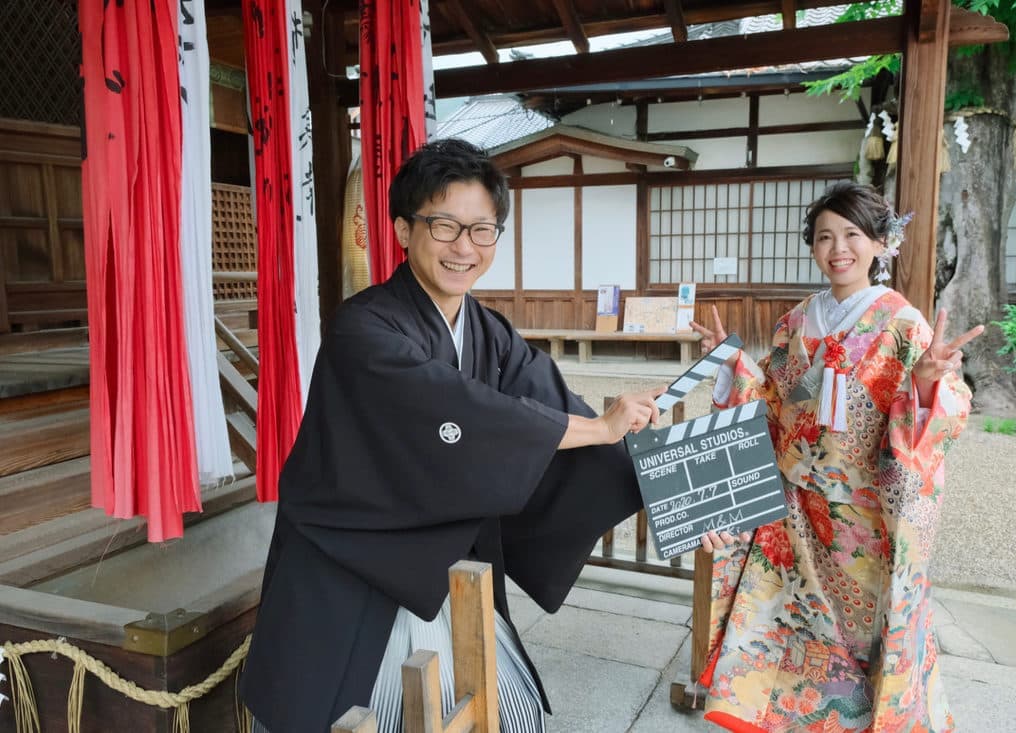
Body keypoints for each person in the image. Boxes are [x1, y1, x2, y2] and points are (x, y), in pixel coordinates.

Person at [240, 139, 690, 732]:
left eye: (483, 231)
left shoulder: (486, 329)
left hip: (440, 565)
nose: (465, 248)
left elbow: (551, 403)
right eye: (445, 226)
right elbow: (458, 411)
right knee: (351, 709)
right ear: (403, 229)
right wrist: (594, 428)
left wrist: (663, 475)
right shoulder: (362, 329)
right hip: (351, 562)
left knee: (499, 713)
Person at [689, 181, 983, 732]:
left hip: (862, 513)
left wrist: (922, 384)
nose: (838, 248)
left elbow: (939, 415)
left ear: (879, 242)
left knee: (859, 632)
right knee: (790, 622)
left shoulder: (902, 323)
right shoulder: (796, 321)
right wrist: (730, 363)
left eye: (851, 234)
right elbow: (771, 401)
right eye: (824, 236)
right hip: (792, 506)